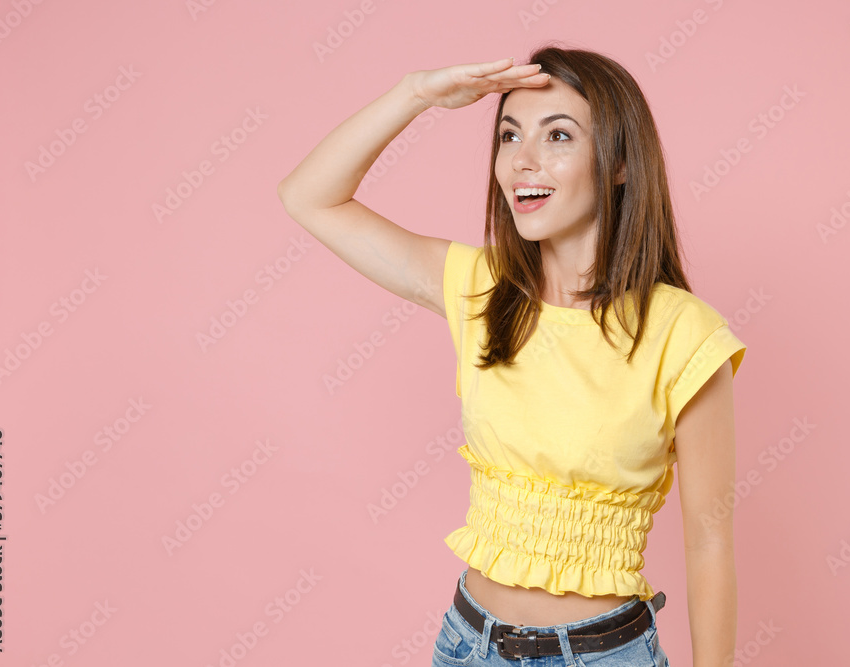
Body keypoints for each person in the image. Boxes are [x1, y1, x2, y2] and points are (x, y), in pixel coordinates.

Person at [279, 43, 746, 667]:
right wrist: (416, 93)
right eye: (508, 135)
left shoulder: (683, 332)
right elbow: (308, 196)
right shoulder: (480, 289)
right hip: (468, 644)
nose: (522, 161)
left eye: (558, 135)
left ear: (619, 164)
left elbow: (709, 543)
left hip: (602, 654)